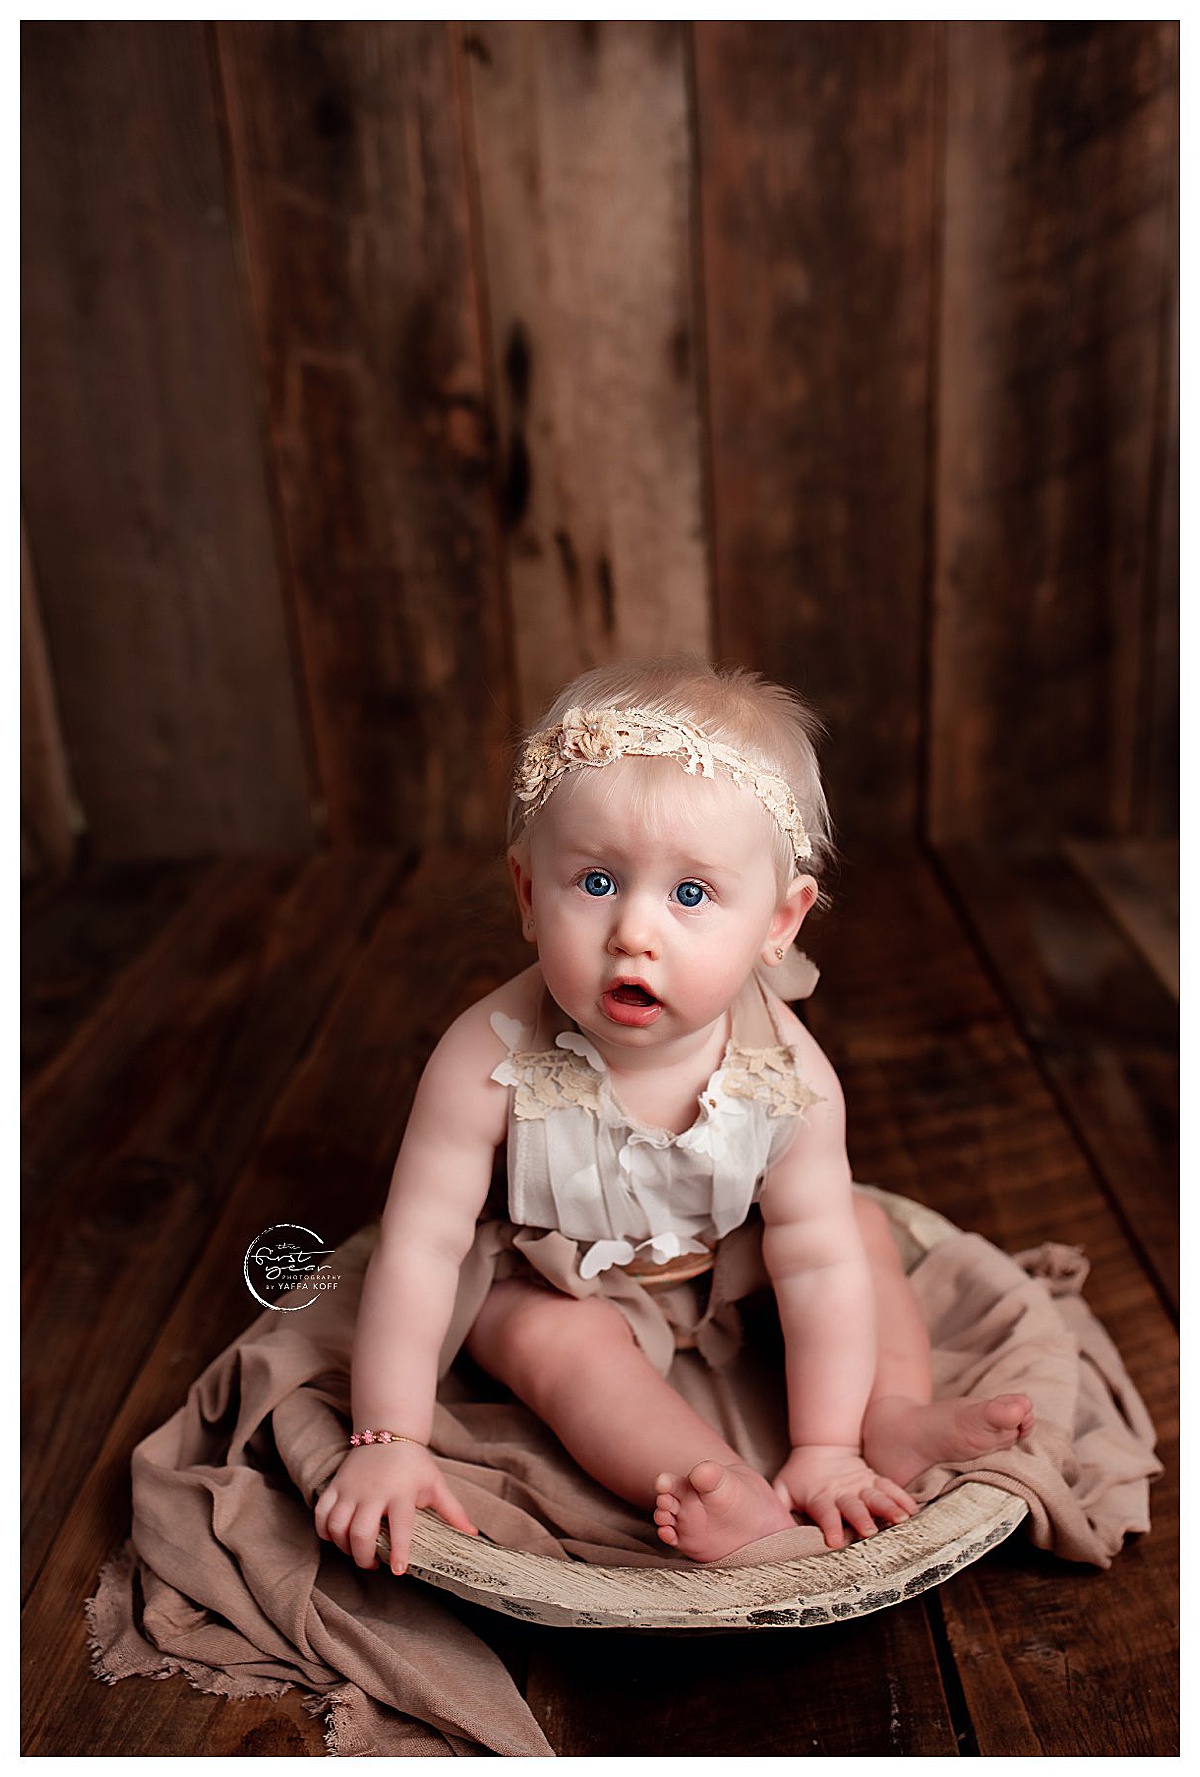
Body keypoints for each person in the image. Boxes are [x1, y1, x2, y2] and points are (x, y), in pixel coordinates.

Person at [315, 658, 1032, 1574]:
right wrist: (390, 1436)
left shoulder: (787, 1078)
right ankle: (711, 1481)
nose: (634, 933)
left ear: (780, 922)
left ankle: (877, 1423)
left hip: (726, 1255)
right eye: (598, 882)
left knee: (852, 1229)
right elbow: (421, 1245)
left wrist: (822, 1444)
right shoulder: (483, 1062)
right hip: (560, 1272)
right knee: (546, 1337)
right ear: (530, 893)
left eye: (690, 894)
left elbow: (810, 1260)